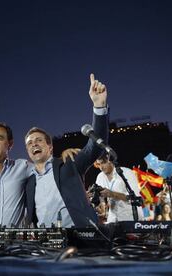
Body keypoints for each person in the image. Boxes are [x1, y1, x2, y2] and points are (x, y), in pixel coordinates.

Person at [24, 73, 109, 228]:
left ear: (50, 147)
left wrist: (99, 106)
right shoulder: (29, 182)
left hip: (81, 240)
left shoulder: (69, 162)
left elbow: (95, 147)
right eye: (29, 143)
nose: (34, 145)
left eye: (38, 140)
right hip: (46, 246)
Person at [94, 154, 144, 223]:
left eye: (103, 163)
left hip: (130, 218)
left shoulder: (126, 172)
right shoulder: (100, 177)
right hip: (112, 220)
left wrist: (112, 194)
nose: (101, 167)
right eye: (99, 164)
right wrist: (102, 210)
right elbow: (101, 198)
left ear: (110, 160)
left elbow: (134, 198)